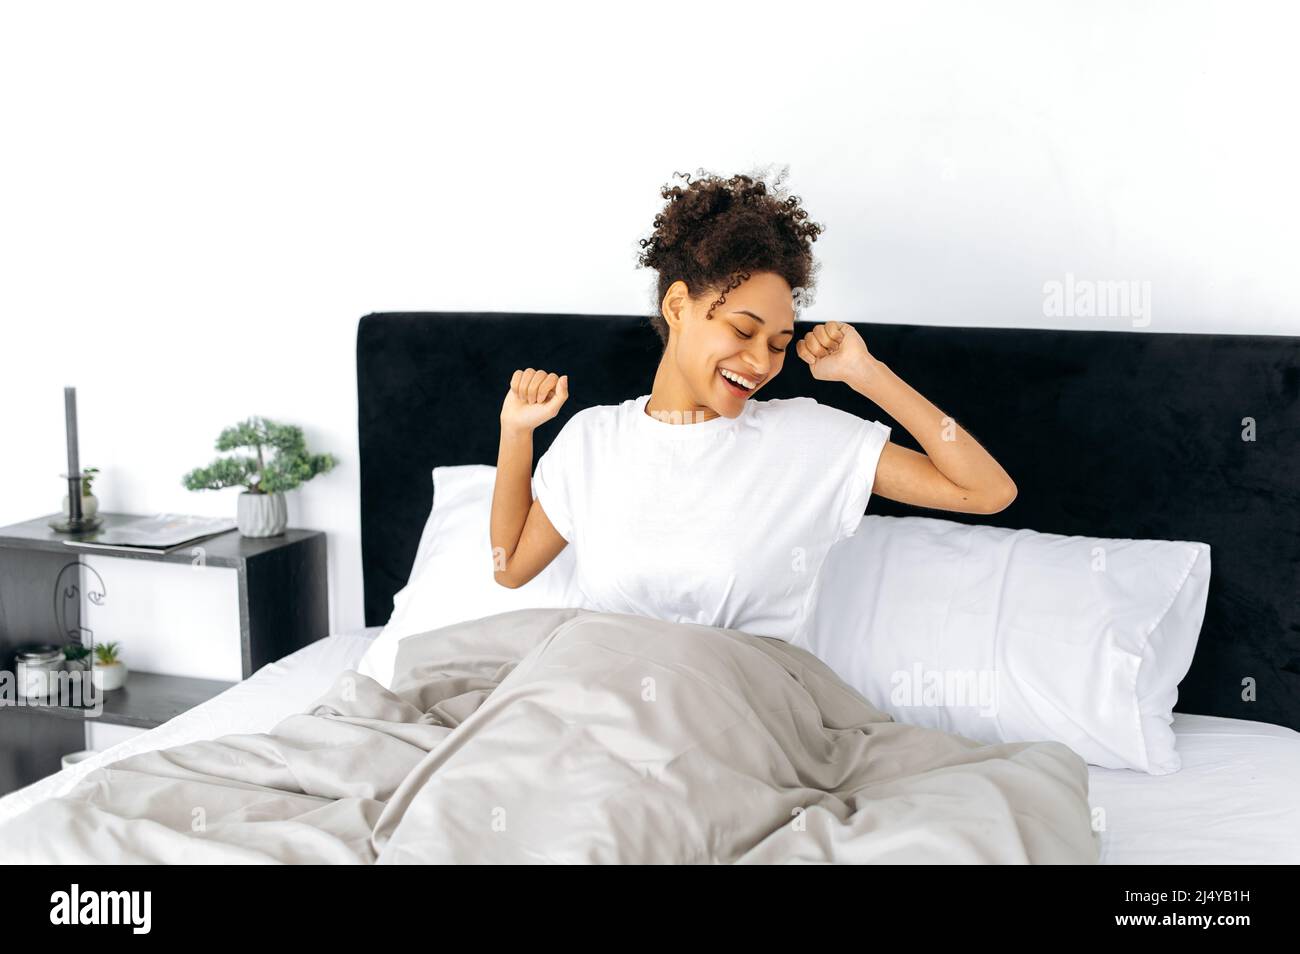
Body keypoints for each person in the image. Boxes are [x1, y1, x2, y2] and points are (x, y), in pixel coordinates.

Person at [489, 167, 1016, 642]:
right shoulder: (592, 439)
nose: (760, 361)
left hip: (737, 704)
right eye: (743, 329)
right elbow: (508, 566)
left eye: (780, 344)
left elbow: (988, 492)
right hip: (598, 694)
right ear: (677, 306)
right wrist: (515, 432)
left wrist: (867, 374)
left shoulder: (808, 438)